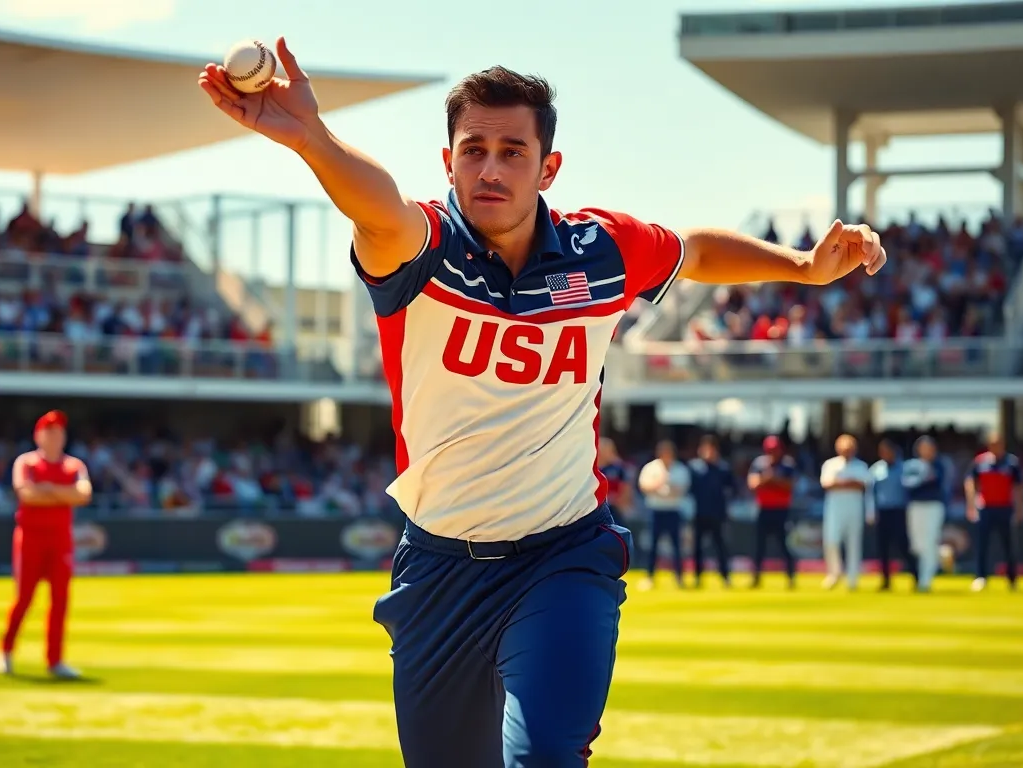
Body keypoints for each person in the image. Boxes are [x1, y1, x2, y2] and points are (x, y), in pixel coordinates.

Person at [198, 43, 886, 767]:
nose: (490, 169)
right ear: (449, 162)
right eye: (474, 151)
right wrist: (311, 136)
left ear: (548, 168)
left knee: (546, 757)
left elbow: (696, 252)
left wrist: (803, 267)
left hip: (564, 555)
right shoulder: (420, 248)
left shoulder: (602, 251)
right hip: (437, 570)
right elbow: (376, 206)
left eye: (512, 152)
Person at [0, 410, 92, 679]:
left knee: (60, 599)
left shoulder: (74, 465)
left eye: (59, 432)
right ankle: (6, 650)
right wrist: (64, 495)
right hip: (30, 537)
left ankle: (55, 660)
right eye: (50, 432)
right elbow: (27, 495)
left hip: (60, 538)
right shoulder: (26, 462)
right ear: (38, 436)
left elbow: (84, 495)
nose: (55, 437)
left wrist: (48, 490)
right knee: (24, 598)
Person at [965, 431, 1023, 592]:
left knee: (1009, 545)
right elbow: (970, 482)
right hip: (986, 508)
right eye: (992, 444)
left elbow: (1018, 487)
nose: (995, 447)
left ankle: (1012, 578)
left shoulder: (1011, 463)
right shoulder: (980, 462)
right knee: (982, 545)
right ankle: (981, 577)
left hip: (1005, 508)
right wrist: (971, 505)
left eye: (998, 444)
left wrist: (1020, 509)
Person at [818, 434, 870, 591]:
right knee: (831, 540)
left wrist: (841, 483)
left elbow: (862, 485)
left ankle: (852, 578)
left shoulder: (861, 466)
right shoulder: (830, 464)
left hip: (854, 509)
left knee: (854, 543)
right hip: (835, 509)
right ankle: (834, 573)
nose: (847, 452)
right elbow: (827, 484)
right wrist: (849, 482)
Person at [748, 435, 800, 589]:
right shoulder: (759, 464)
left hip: (781, 510)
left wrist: (774, 480)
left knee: (784, 545)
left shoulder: (787, 464)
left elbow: (791, 485)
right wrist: (768, 479)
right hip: (763, 509)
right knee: (759, 546)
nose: (772, 453)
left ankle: (791, 577)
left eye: (775, 450)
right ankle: (756, 578)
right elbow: (753, 484)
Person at [638, 440, 691, 589]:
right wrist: (659, 485)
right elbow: (644, 486)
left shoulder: (680, 469)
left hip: (673, 510)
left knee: (677, 546)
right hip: (656, 510)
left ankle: (679, 577)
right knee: (653, 545)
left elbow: (681, 490)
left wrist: (667, 488)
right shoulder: (651, 468)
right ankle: (650, 576)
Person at [868, 439, 917, 591]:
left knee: (903, 546)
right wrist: (871, 512)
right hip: (883, 511)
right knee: (883, 548)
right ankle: (886, 580)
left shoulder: (904, 468)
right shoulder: (876, 469)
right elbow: (871, 493)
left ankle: (916, 576)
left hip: (899, 510)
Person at [687, 434, 734, 588]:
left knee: (720, 547)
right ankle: (698, 577)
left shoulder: (723, 468)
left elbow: (732, 489)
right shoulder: (694, 468)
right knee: (697, 548)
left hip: (718, 514)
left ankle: (725, 576)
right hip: (699, 513)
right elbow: (689, 489)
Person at [902, 435, 946, 593]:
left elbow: (937, 481)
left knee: (929, 542)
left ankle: (925, 580)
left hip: (933, 506)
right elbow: (907, 484)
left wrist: (923, 479)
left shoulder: (939, 464)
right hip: (915, 506)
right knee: (917, 545)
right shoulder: (911, 465)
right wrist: (923, 478)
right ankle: (932, 565)